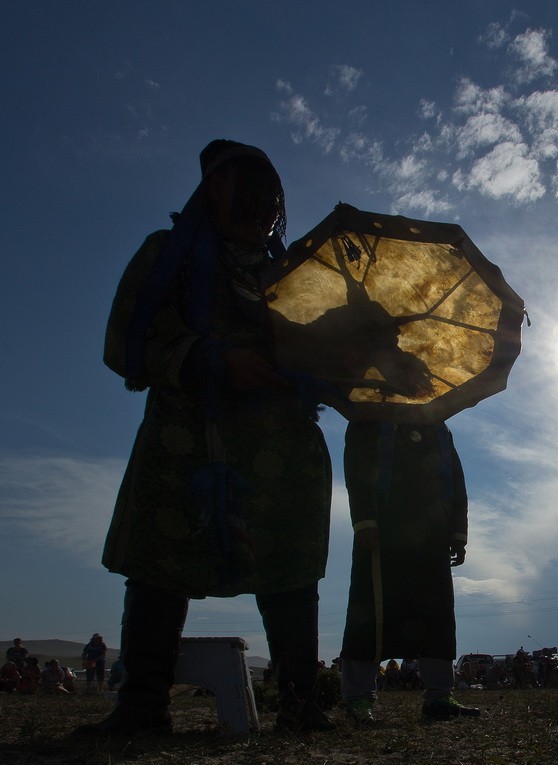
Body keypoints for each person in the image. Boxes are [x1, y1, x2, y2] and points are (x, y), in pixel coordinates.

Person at [76, 140, 335, 736]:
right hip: (187, 440)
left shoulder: (296, 276)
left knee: (291, 562)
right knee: (158, 560)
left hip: (281, 448)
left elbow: (328, 352)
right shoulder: (167, 256)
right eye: (252, 191)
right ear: (215, 190)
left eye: (274, 197)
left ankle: (300, 703)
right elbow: (128, 341)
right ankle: (143, 707)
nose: (268, 206)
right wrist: (211, 360)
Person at [339, 420, 480, 725]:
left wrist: (457, 533)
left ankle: (439, 697)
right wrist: (364, 521)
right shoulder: (370, 417)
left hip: (433, 534)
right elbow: (357, 468)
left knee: (437, 615)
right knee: (370, 614)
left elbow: (456, 479)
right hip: (383, 529)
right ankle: (358, 698)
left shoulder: (439, 426)